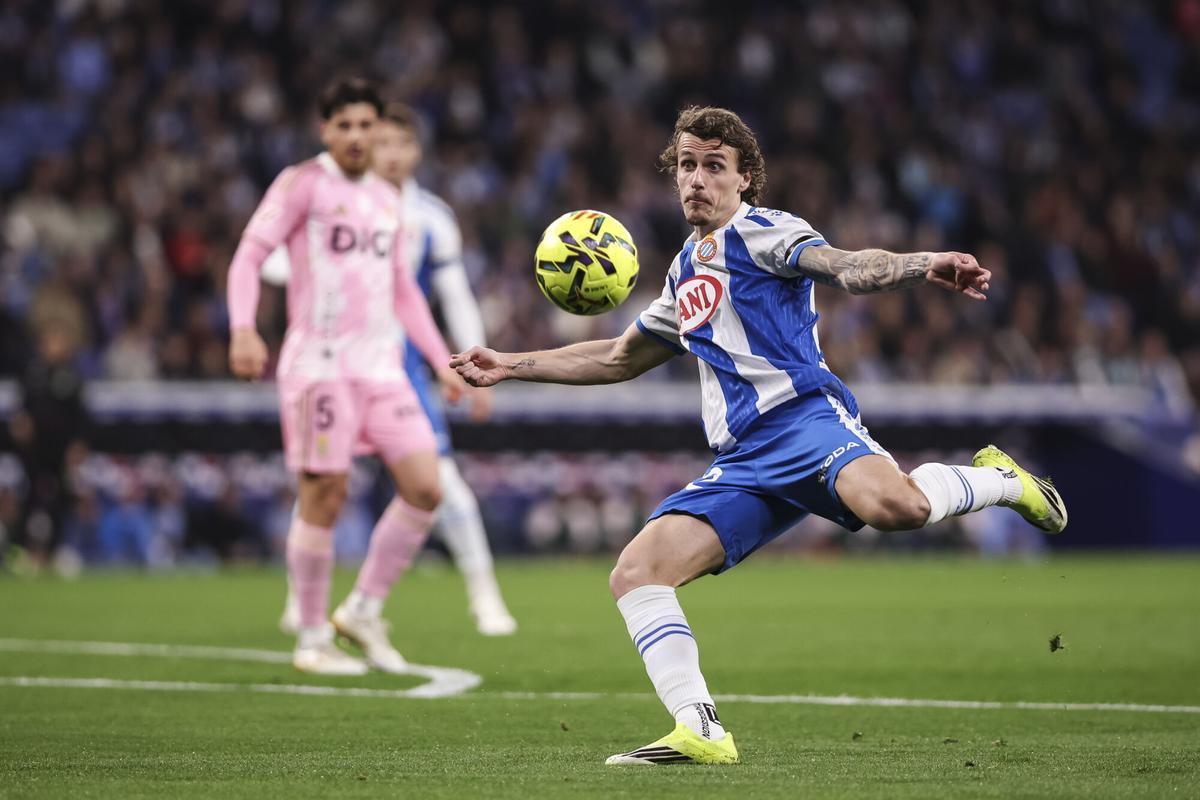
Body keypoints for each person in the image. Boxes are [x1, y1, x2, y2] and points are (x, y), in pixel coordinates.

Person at [451, 106, 1068, 765]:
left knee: (900, 508)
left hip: (805, 421)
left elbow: (849, 266)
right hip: (745, 457)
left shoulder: (767, 232)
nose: (696, 179)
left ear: (746, 180)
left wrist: (923, 264)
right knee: (637, 572)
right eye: (687, 165)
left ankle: (1004, 479)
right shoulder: (686, 271)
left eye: (714, 166)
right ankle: (701, 731)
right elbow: (620, 357)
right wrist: (513, 364)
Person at [227, 77, 465, 676]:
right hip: (320, 368)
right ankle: (310, 637)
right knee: (324, 496)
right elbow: (250, 254)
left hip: (382, 369)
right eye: (346, 125)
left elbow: (403, 290)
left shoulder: (389, 200)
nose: (358, 136)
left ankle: (361, 609)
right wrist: (243, 327)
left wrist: (442, 361)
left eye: (368, 126)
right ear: (325, 129)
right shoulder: (302, 184)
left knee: (426, 487)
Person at [269, 103, 517, 636]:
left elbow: (452, 294)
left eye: (401, 144)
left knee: (442, 481)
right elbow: (273, 259)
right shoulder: (329, 202)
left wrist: (472, 359)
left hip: (402, 366)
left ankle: (484, 596)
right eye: (382, 143)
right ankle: (301, 602)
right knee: (322, 484)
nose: (391, 154)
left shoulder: (431, 216)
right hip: (335, 360)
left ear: (417, 152)